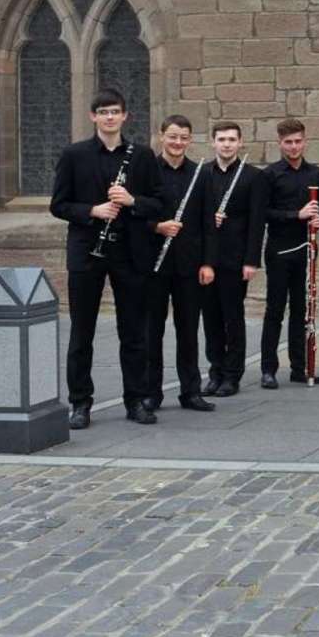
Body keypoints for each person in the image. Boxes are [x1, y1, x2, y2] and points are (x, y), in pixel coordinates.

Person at [50, 88, 164, 429]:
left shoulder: (141, 156)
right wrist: (92, 210)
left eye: (115, 111)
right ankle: (80, 403)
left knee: (133, 332)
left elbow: (159, 203)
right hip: (87, 251)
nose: (110, 117)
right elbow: (58, 205)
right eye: (103, 112)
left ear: (125, 116)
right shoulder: (75, 155)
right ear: (93, 117)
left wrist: (131, 201)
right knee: (81, 332)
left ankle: (136, 400)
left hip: (130, 253)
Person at [144, 115, 214, 412]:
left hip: (189, 264)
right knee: (151, 331)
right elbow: (135, 216)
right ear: (162, 137)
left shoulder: (201, 174)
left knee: (188, 330)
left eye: (184, 137)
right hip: (153, 264)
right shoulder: (146, 172)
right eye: (173, 136)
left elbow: (208, 223)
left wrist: (208, 263)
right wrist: (157, 227)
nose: (178, 142)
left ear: (189, 140)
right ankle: (151, 393)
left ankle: (191, 392)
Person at [259, 118, 319, 388]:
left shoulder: (316, 174)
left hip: (306, 251)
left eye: (298, 141)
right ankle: (268, 369)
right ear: (280, 143)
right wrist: (296, 215)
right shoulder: (270, 174)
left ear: (305, 141)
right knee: (274, 310)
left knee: (302, 311)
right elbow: (263, 213)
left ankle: (299, 368)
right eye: (288, 142)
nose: (293, 146)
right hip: (278, 250)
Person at [200, 121, 265, 398]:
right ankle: (215, 371)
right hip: (206, 259)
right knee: (210, 317)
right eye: (221, 139)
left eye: (231, 140)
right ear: (213, 142)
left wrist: (251, 261)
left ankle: (232, 374)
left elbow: (257, 222)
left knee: (233, 317)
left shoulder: (252, 176)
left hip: (236, 258)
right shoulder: (202, 174)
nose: (226, 144)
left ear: (240, 143)